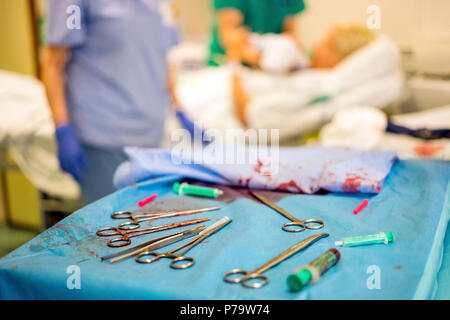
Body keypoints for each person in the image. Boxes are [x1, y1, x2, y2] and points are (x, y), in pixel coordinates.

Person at [42, 0, 180, 204]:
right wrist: (62, 126)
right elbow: (53, 64)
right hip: (104, 135)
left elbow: (160, 58)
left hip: (151, 136)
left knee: (146, 225)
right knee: (112, 227)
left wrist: (179, 108)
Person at [232, 24, 378, 125]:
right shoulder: (308, 75)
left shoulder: (317, 85)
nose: (316, 46)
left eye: (325, 45)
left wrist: (234, 65)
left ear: (340, 59)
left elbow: (248, 114)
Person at [208, 0, 306, 67]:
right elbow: (229, 34)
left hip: (270, 66)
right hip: (228, 62)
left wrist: (289, 53)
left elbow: (289, 33)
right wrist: (258, 59)